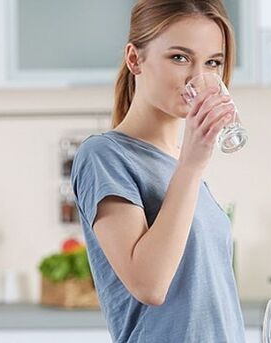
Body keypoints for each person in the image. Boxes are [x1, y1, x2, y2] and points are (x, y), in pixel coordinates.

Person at [70, 0, 245, 342]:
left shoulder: (180, 162)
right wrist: (192, 165)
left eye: (212, 63)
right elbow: (149, 285)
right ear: (135, 59)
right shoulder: (104, 155)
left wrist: (190, 163)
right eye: (180, 57)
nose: (199, 77)